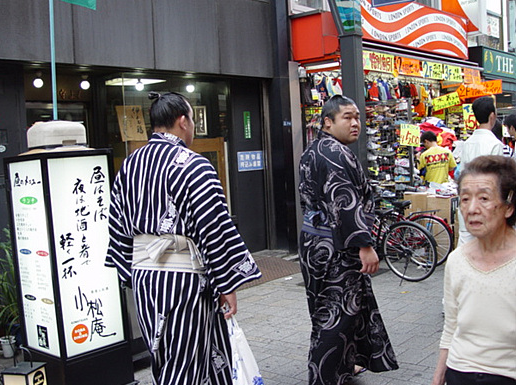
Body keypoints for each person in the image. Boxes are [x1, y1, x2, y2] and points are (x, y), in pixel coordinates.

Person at [105, 92, 261, 385]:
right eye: (191, 121)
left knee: (165, 353)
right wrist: (226, 283)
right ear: (183, 121)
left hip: (144, 279)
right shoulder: (193, 164)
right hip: (183, 279)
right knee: (184, 363)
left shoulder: (129, 165)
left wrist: (131, 272)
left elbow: (116, 224)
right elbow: (214, 227)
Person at [298, 95, 398, 385]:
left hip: (316, 243)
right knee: (335, 316)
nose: (356, 123)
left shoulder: (315, 149)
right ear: (327, 122)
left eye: (357, 117)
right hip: (337, 247)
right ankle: (324, 377)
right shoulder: (335, 153)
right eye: (347, 117)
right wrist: (365, 245)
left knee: (332, 311)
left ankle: (343, 367)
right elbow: (345, 203)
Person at [431, 155, 516, 385]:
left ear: (508, 207)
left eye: (484, 198)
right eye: (465, 199)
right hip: (460, 371)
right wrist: (439, 375)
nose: (472, 209)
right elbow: (451, 325)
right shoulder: (456, 260)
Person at [457, 96, 504, 245]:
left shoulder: (467, 143)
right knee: (487, 243)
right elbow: (497, 179)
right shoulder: (495, 144)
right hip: (486, 201)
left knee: (465, 242)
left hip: (466, 197)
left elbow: (462, 172)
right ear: (492, 116)